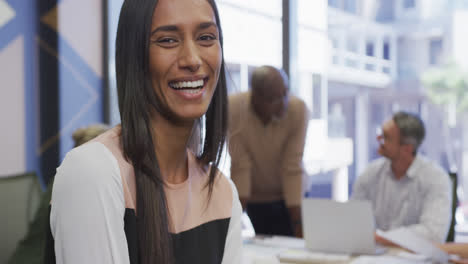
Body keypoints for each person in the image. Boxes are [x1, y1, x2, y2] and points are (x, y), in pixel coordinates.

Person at [46, 0, 242, 263]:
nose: (192, 60)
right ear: (133, 55)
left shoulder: (222, 192)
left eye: (206, 37)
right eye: (168, 40)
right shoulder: (92, 173)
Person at [228, 65, 308, 237]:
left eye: (285, 93)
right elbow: (241, 166)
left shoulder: (298, 109)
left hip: (292, 197)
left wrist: (298, 224)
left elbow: (292, 165)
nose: (283, 104)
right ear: (255, 97)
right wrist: (231, 227)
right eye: (274, 99)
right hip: (257, 197)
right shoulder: (234, 108)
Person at [352, 111, 451, 246]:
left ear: (406, 149)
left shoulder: (436, 179)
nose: (379, 140)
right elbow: (353, 220)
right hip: (375, 255)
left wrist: (381, 238)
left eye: (386, 137)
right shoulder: (371, 173)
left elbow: (433, 234)